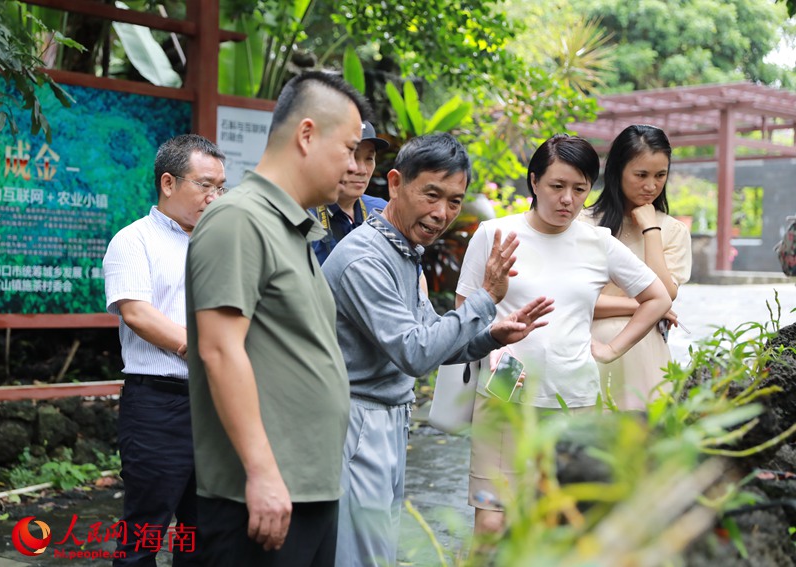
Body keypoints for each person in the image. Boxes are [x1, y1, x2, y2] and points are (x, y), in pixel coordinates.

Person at [321, 132, 555, 567]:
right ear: (394, 184)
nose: (442, 213)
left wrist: (492, 337)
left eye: (454, 200)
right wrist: (485, 298)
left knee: (378, 548)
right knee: (360, 555)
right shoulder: (364, 259)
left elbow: (431, 335)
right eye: (431, 194)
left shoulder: (403, 251)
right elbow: (415, 353)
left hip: (387, 418)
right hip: (356, 422)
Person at [185, 71, 370, 567]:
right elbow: (220, 349)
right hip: (261, 497)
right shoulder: (238, 220)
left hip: (307, 490)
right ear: (307, 135)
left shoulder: (295, 229)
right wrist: (262, 472)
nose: (354, 166)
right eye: (349, 148)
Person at [456, 134, 672, 536]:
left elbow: (657, 297)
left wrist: (610, 348)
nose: (567, 199)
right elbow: (462, 313)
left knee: (562, 524)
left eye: (579, 188)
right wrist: (491, 337)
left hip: (574, 397)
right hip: (506, 390)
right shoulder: (493, 234)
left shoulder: (597, 243)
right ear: (534, 182)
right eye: (557, 186)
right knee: (491, 521)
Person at [103, 133, 226, 566]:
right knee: (144, 531)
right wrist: (201, 348)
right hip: (159, 403)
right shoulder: (133, 241)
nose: (214, 197)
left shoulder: (220, 243)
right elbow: (136, 312)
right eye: (204, 185)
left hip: (215, 405)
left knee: (202, 531)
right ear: (169, 183)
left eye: (220, 187)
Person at [582, 124, 692, 410]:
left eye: (660, 175)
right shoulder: (584, 225)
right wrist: (645, 306)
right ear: (618, 171)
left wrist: (651, 229)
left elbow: (666, 294)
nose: (651, 186)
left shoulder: (673, 231)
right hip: (588, 348)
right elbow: (580, 300)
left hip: (645, 353)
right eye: (641, 175)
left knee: (643, 444)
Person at [311, 120, 389, 265]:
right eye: (352, 156)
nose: (362, 170)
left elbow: (414, 273)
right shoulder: (304, 216)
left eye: (369, 158)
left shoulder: (383, 212)